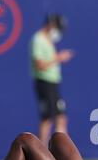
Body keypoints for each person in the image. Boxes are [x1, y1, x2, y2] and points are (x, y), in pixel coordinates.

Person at [30, 14, 74, 144]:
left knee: (61, 116)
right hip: (44, 82)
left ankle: (63, 151)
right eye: (57, 28)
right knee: (47, 118)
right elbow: (39, 65)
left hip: (53, 83)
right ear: (50, 25)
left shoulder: (48, 40)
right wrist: (58, 58)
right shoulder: (38, 39)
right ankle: (41, 151)